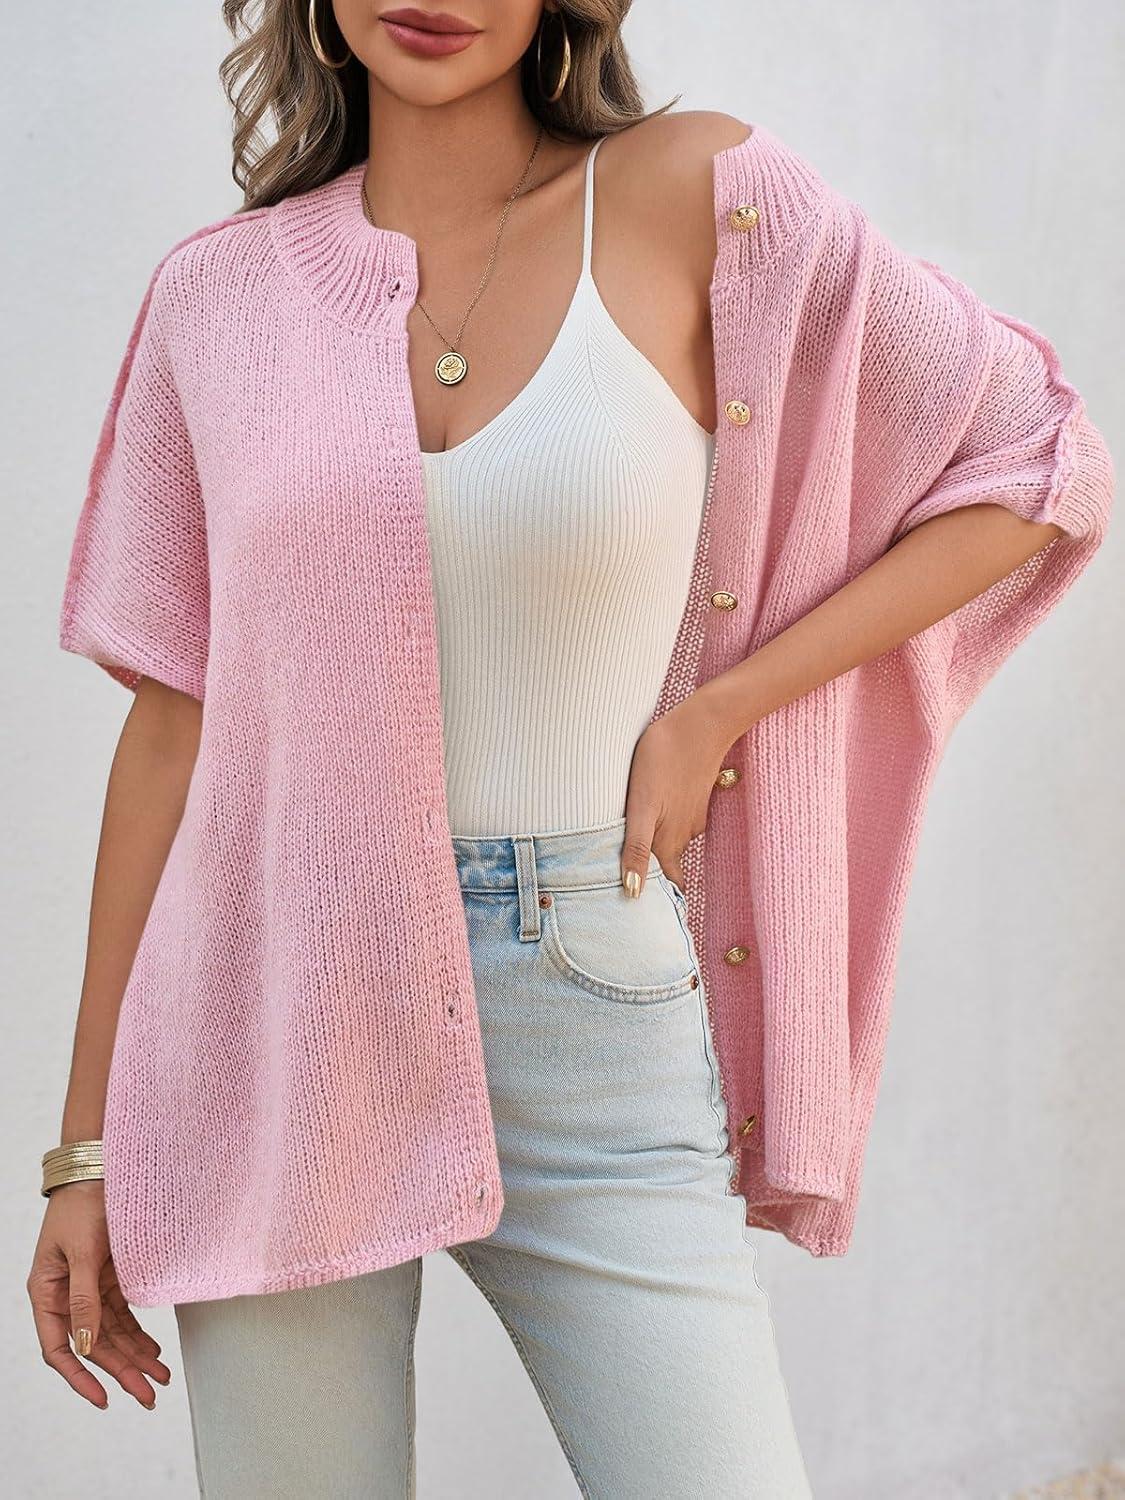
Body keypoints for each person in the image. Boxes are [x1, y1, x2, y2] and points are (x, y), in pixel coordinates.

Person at [28, 3, 1114, 1496]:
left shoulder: (693, 195)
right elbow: (171, 726)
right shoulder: (216, 298)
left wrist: (720, 709)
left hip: (589, 985)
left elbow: (1038, 466)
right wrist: (85, 1152)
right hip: (274, 1007)